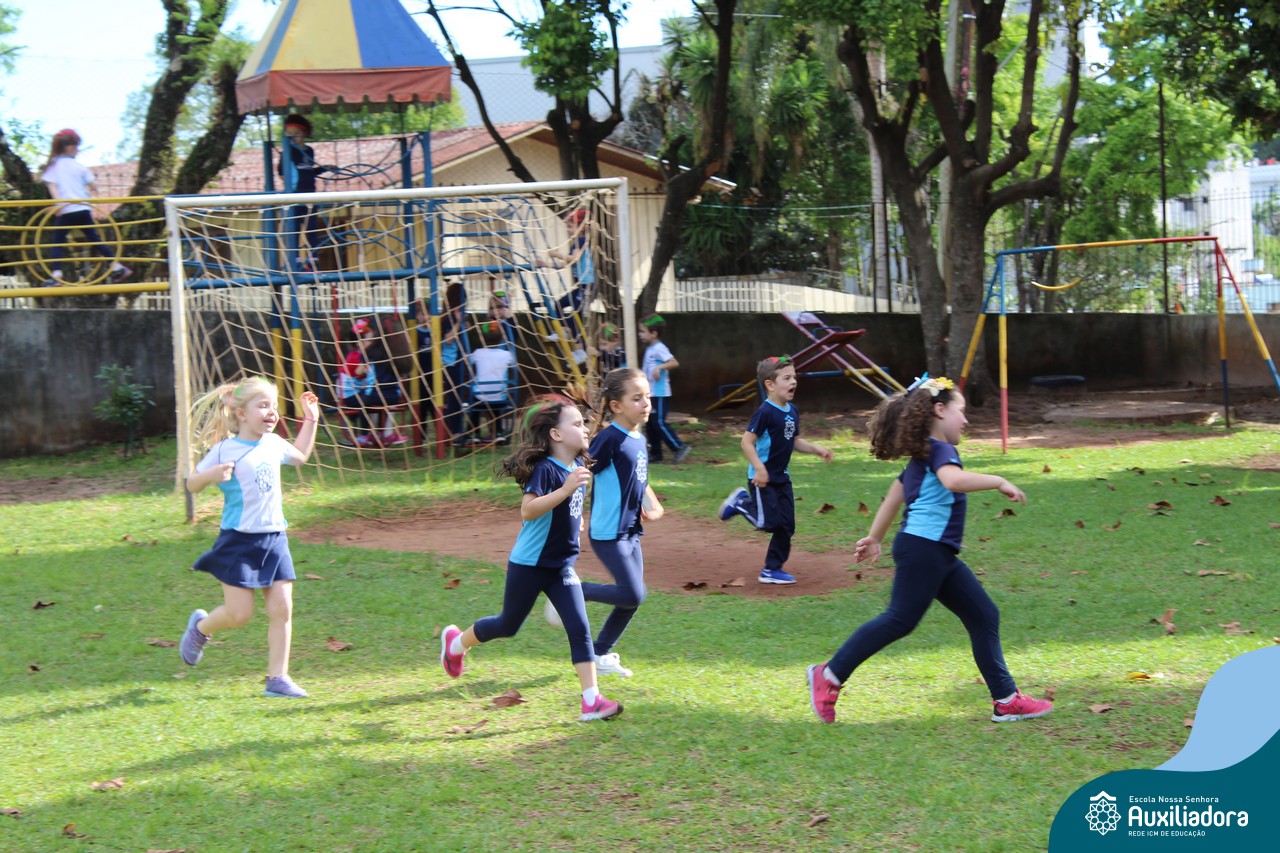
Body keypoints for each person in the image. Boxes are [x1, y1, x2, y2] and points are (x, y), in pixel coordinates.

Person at [805, 374, 1054, 724]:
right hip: (925, 549)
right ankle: (829, 674)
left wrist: (874, 538)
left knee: (983, 615)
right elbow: (954, 481)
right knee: (900, 619)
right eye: (961, 411)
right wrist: (999, 480)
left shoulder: (922, 455)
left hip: (935, 553)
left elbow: (894, 497)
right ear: (939, 410)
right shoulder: (940, 451)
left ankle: (1006, 699)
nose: (965, 420)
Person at [440, 395, 623, 722]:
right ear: (556, 434)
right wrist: (565, 491)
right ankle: (455, 644)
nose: (585, 428)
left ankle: (592, 701)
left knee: (579, 628)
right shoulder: (546, 470)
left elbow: (566, 510)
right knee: (507, 625)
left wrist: (576, 520)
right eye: (577, 423)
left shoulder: (577, 468)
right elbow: (528, 510)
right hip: (529, 565)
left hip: (561, 567)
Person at [177, 376, 319, 699]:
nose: (272, 412)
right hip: (238, 542)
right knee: (239, 615)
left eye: (274, 406)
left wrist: (310, 419)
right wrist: (211, 475)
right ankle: (200, 628)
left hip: (275, 538)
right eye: (263, 405)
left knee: (282, 608)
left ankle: (278, 678)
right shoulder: (224, 450)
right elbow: (192, 484)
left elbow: (300, 455)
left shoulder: (274, 443)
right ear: (241, 414)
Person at [545, 367, 663, 678]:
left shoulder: (638, 438)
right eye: (636, 398)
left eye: (647, 396)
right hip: (608, 532)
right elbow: (580, 474)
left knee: (630, 599)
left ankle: (599, 653)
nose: (645, 403)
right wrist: (572, 515)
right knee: (633, 594)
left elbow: (638, 478)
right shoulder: (610, 439)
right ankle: (571, 591)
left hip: (630, 532)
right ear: (616, 406)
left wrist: (653, 504)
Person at [718, 356, 833, 585]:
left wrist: (816, 449)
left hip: (782, 478)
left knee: (786, 525)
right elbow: (746, 442)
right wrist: (759, 469)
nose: (794, 382)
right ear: (770, 384)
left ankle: (772, 569)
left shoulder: (792, 411)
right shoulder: (765, 412)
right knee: (767, 523)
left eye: (794, 377)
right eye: (787, 378)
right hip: (761, 478)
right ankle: (740, 502)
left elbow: (795, 441)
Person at [38, 129, 132, 287]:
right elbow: (93, 186)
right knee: (95, 239)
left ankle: (56, 275)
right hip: (83, 208)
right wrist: (89, 196)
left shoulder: (53, 167)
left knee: (57, 242)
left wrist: (58, 205)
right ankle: (117, 267)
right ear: (69, 147)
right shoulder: (79, 167)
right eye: (76, 147)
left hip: (67, 209)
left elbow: (52, 188)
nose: (78, 150)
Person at [538, 207, 595, 365]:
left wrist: (555, 254)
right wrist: (545, 264)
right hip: (580, 287)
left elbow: (573, 259)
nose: (568, 230)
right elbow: (565, 264)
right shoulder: (575, 243)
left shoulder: (582, 241)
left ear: (581, 227)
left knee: (575, 314)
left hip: (588, 286)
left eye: (571, 226)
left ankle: (580, 350)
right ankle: (563, 331)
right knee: (558, 305)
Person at [277, 114, 333, 272]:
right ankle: (294, 259)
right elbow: (281, 172)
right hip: (295, 195)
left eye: (296, 133)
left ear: (304, 134)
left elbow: (308, 171)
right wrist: (291, 185)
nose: (293, 137)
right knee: (294, 228)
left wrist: (324, 169)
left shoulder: (309, 151)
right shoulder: (287, 152)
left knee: (311, 228)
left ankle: (312, 259)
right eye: (289, 134)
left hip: (309, 195)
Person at [638, 314, 690, 464]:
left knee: (659, 422)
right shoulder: (650, 349)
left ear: (654, 333)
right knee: (650, 423)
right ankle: (656, 454)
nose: (640, 335)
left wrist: (659, 368)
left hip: (660, 393)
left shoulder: (659, 348)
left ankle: (679, 447)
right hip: (651, 393)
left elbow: (674, 362)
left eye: (643, 331)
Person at [466, 321, 516, 442]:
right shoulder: (507, 354)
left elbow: (469, 362)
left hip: (480, 397)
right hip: (500, 398)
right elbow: (514, 365)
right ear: (502, 339)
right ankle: (498, 432)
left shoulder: (478, 353)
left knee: (475, 404)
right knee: (496, 398)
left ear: (482, 339)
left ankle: (474, 433)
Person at [337, 318, 378, 447]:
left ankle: (371, 432)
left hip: (357, 390)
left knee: (371, 398)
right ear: (359, 343)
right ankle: (363, 435)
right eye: (369, 340)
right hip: (349, 395)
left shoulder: (359, 354)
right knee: (367, 401)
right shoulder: (356, 357)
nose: (373, 343)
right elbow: (361, 371)